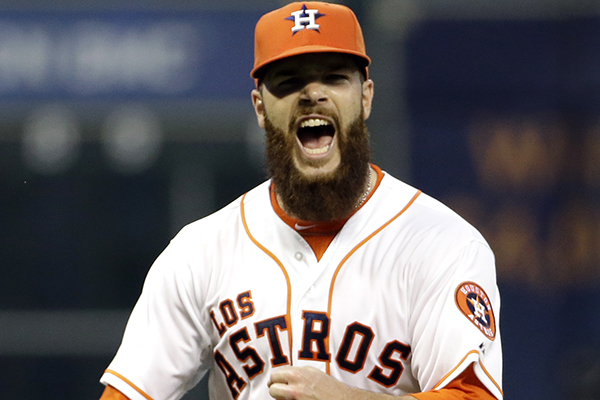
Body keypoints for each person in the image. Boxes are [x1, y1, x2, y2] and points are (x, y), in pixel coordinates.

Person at [98, 2, 503, 400]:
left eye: (334, 77)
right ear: (260, 107)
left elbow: (474, 397)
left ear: (365, 97)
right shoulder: (200, 251)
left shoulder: (443, 243)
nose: (312, 93)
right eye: (288, 81)